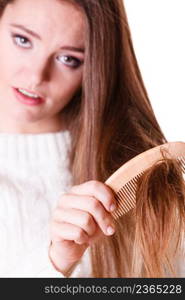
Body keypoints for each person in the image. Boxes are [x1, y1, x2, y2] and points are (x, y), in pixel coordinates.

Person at [0, 0, 184, 278]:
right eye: (23, 40)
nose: (37, 76)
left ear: (95, 68)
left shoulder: (133, 172)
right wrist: (56, 261)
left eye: (68, 59)